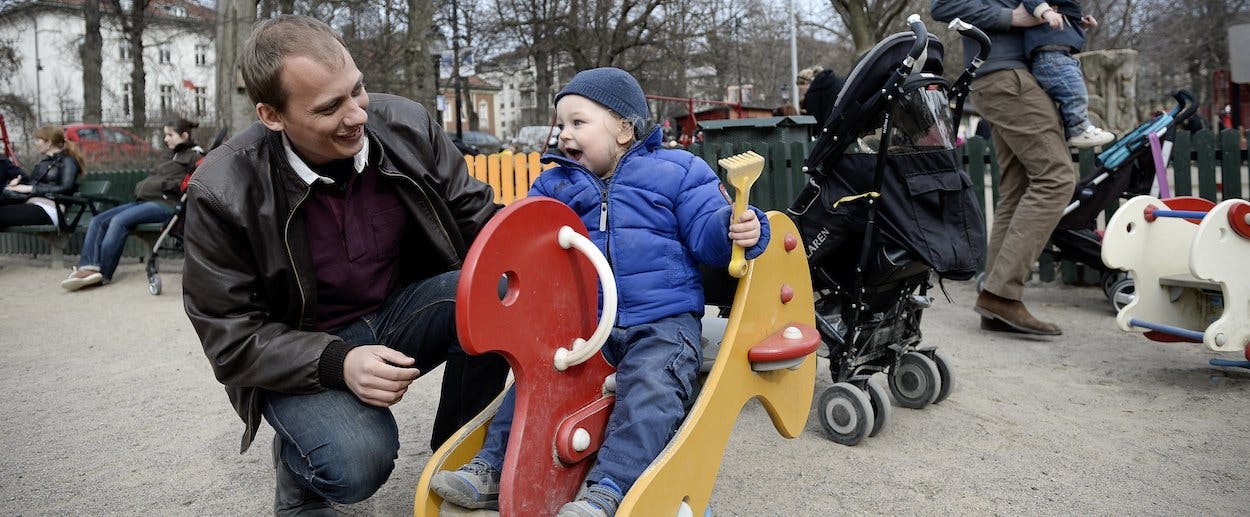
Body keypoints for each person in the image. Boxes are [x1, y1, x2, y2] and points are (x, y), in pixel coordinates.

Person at [180, 15, 509, 515]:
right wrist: (338, 362)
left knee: (495, 291)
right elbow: (230, 338)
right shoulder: (222, 190)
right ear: (272, 115)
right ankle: (300, 477)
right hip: (303, 350)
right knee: (357, 461)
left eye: (357, 90)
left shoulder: (409, 125)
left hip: (399, 313)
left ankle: (457, 458)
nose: (357, 115)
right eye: (330, 107)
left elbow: (481, 223)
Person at [429, 67, 770, 517]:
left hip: (662, 321)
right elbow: (527, 242)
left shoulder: (678, 171)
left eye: (578, 122)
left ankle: (609, 489)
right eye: (562, 124)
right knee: (538, 381)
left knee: (652, 389)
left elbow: (708, 233)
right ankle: (494, 466)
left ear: (624, 129)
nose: (565, 135)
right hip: (586, 326)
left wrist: (735, 228)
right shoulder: (556, 184)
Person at [931, 0, 1073, 335]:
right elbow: (943, 5)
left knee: (1018, 187)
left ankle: (994, 302)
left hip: (1006, 76)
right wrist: (1010, 17)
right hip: (1007, 77)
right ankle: (1002, 294)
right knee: (1056, 178)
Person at [60, 118, 204, 291]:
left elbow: (191, 185)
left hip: (166, 204)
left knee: (119, 221)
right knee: (98, 220)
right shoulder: (169, 155)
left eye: (170, 135)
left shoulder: (195, 156)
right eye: (165, 135)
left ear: (184, 136)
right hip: (145, 201)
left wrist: (166, 186)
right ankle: (88, 268)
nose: (165, 139)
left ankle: (103, 273)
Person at [1021, 0, 1114, 148]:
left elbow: (1064, 16)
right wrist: (1046, 12)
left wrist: (1081, 23)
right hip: (1051, 56)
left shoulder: (1066, 8)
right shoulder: (1046, 8)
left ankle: (1071, 132)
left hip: (1060, 55)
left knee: (1070, 94)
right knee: (1074, 93)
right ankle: (1080, 130)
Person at [0, 125, 83, 229]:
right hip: (33, 203)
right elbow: (31, 184)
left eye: (38, 140)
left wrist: (31, 189)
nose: (36, 143)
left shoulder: (68, 161)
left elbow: (66, 187)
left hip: (51, 209)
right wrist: (15, 184)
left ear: (48, 142)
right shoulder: (44, 163)